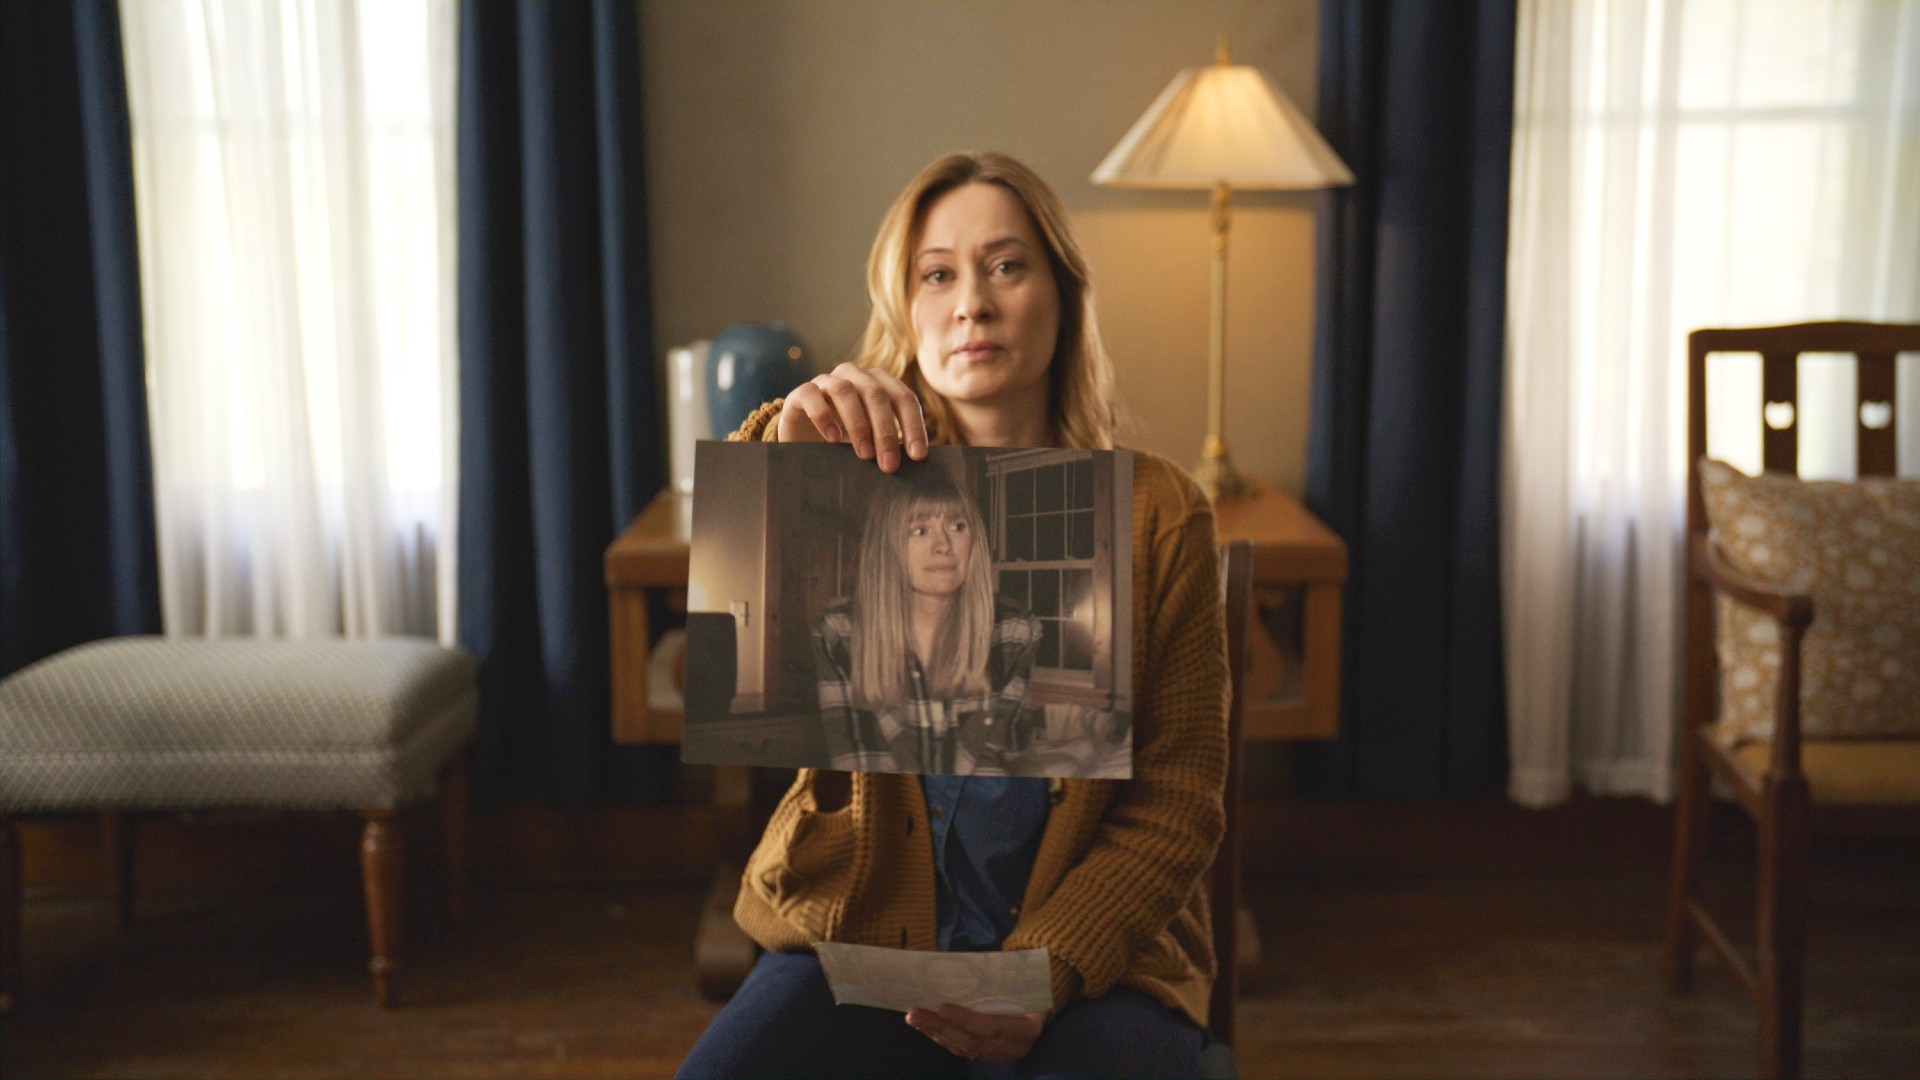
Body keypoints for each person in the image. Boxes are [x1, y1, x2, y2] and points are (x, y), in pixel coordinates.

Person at [675, 151, 1228, 1079]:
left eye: (1007, 265)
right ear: (907, 309)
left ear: (1063, 293)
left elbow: (1177, 808)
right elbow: (735, 626)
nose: (971, 301)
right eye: (938, 274)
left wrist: (1039, 973)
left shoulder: (1158, 513)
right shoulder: (844, 481)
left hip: (1095, 961)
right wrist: (784, 446)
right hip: (851, 938)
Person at [814, 467, 1043, 776]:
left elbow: (995, 767)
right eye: (919, 530)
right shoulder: (839, 631)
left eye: (958, 526)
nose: (943, 545)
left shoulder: (1015, 633)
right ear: (888, 546)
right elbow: (858, 766)